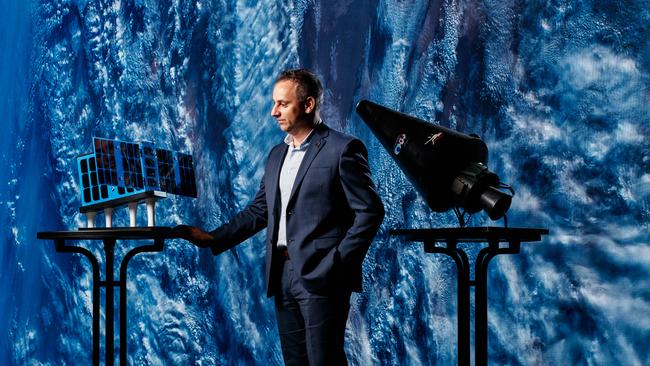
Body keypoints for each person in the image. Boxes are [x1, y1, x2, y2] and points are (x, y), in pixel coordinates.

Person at [176, 69, 384, 365]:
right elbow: (260, 210)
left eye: (282, 104)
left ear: (308, 105)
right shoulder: (276, 155)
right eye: (274, 103)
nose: (274, 112)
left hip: (323, 275)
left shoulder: (343, 149)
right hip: (281, 274)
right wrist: (214, 237)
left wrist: (337, 263)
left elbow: (370, 211)